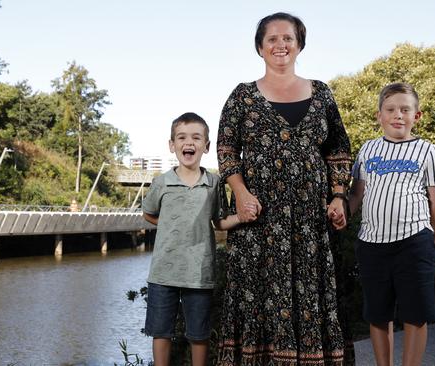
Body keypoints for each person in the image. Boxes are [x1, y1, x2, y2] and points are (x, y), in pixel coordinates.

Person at [215, 12, 352, 365]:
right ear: (260, 47)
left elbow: (338, 149)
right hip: (259, 222)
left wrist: (338, 196)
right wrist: (241, 193)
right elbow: (227, 151)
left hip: (311, 224)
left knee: (313, 299)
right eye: (272, 39)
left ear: (299, 44)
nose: (280, 44)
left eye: (288, 38)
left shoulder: (322, 93)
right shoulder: (242, 96)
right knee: (257, 299)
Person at [142, 112, 253, 366]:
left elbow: (219, 222)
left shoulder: (214, 184)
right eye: (181, 137)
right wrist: (170, 225)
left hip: (199, 273)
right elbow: (148, 214)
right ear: (172, 145)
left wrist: (242, 217)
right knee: (161, 332)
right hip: (162, 273)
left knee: (199, 334)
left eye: (196, 137)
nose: (188, 142)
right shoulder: (162, 183)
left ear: (206, 146)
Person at [348, 82, 435, 366]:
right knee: (378, 315)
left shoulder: (428, 151)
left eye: (405, 109)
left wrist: (430, 246)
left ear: (417, 116)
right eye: (391, 109)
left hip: (414, 242)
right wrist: (341, 214)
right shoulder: (367, 150)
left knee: (416, 315)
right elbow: (357, 195)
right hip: (372, 243)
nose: (398, 115)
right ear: (379, 115)